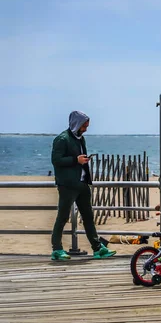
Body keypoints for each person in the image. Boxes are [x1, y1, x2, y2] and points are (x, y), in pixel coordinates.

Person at [50, 111, 116, 261]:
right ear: (76, 124)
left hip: (82, 183)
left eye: (87, 126)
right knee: (63, 216)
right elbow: (56, 160)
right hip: (67, 185)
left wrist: (83, 161)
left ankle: (98, 248)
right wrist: (76, 160)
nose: (85, 128)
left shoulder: (81, 139)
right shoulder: (62, 139)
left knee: (88, 216)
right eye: (84, 126)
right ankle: (57, 249)